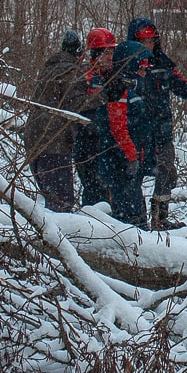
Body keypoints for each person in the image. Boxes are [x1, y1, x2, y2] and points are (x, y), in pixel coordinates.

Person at [125, 17, 187, 231]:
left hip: (161, 131)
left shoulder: (162, 65)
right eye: (142, 41)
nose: (147, 46)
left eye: (151, 41)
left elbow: (181, 85)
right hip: (136, 133)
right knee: (133, 176)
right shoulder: (126, 67)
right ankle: (134, 221)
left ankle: (160, 218)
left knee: (167, 172)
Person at [21, 30, 87, 212]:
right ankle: (59, 239)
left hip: (35, 140)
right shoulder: (70, 72)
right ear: (79, 54)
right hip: (53, 142)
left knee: (51, 200)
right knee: (61, 203)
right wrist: (104, 94)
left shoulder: (49, 69)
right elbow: (78, 104)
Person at [100, 34, 155, 229]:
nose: (145, 72)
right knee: (128, 215)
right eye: (141, 67)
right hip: (120, 163)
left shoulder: (134, 88)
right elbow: (118, 127)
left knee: (135, 208)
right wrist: (131, 157)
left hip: (131, 162)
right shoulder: (119, 87)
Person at [75, 27, 117, 208]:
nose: (110, 57)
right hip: (87, 144)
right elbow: (79, 105)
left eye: (112, 52)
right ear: (96, 53)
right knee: (94, 190)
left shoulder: (114, 75)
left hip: (108, 144)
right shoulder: (84, 76)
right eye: (106, 52)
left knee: (109, 191)